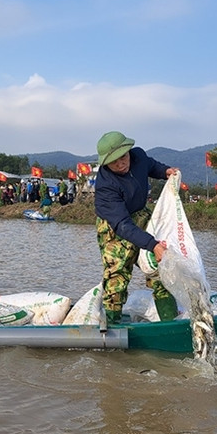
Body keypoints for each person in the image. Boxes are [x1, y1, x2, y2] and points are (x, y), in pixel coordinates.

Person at [93, 131, 179, 324]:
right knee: (118, 274)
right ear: (106, 163)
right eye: (113, 162)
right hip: (115, 228)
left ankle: (170, 321)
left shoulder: (138, 156)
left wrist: (166, 172)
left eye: (123, 157)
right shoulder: (106, 186)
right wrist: (151, 244)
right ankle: (112, 325)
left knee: (160, 265)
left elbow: (151, 166)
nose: (120, 164)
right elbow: (123, 226)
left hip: (141, 215)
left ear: (129, 151)